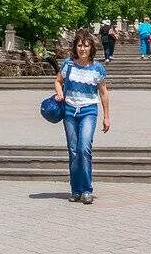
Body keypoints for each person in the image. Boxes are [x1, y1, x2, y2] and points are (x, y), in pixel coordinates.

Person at [53, 29, 110, 204]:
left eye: (86, 46)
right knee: (73, 150)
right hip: (69, 111)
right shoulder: (68, 64)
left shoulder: (97, 68)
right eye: (79, 46)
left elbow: (103, 92)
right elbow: (57, 81)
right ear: (75, 47)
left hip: (88, 111)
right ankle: (75, 190)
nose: (82, 49)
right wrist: (60, 93)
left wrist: (106, 116)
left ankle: (86, 189)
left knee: (84, 148)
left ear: (91, 48)